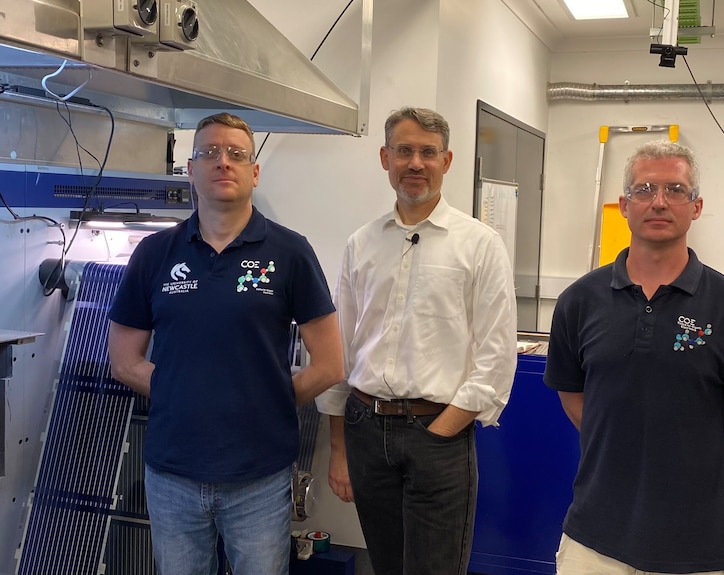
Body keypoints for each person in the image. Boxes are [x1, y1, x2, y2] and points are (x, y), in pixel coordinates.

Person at [107, 112, 343, 575]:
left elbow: (330, 364)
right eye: (209, 152)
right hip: (172, 474)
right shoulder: (154, 254)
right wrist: (183, 395)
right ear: (190, 170)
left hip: (260, 478)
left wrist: (268, 401)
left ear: (254, 172)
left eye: (237, 154)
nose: (223, 162)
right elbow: (122, 360)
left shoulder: (290, 252)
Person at [544, 140, 724, 575]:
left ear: (696, 206)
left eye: (675, 190)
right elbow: (573, 393)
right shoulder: (579, 301)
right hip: (593, 538)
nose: (658, 201)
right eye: (644, 189)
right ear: (624, 205)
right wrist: (623, 449)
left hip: (694, 543)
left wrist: (693, 464)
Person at [315, 106, 518, 575]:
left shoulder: (479, 244)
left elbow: (495, 355)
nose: (415, 163)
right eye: (404, 151)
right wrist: (341, 450)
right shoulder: (361, 243)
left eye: (428, 152)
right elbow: (342, 347)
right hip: (366, 428)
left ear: (446, 161)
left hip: (438, 433)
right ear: (385, 158)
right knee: (386, 565)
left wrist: (442, 431)